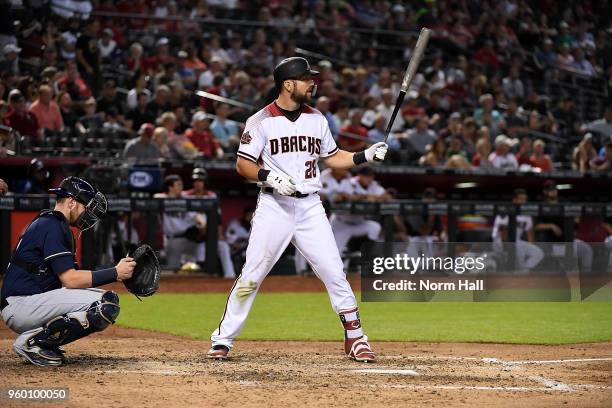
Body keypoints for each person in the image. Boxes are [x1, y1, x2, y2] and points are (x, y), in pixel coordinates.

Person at [208, 57, 387, 362]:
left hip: (310, 208)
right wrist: (270, 177)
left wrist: (364, 156)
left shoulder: (317, 119)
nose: (312, 83)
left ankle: (356, 338)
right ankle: (223, 339)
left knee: (334, 271)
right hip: (273, 206)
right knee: (251, 274)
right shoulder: (261, 120)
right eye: (306, 79)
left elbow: (332, 157)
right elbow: (243, 164)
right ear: (288, 84)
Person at [0, 176, 135, 366]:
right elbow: (71, 280)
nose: (89, 213)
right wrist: (115, 272)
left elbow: (73, 283)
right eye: (86, 206)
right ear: (71, 202)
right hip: (22, 305)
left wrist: (119, 273)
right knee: (104, 304)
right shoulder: (52, 225)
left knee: (107, 300)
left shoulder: (52, 223)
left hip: (29, 302)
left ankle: (39, 340)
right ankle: (32, 343)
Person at [183, 168, 236, 279]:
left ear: (205, 182)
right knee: (197, 258)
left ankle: (230, 277)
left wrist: (219, 234)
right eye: (196, 180)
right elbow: (192, 217)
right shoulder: (186, 195)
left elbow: (218, 218)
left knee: (223, 246)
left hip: (209, 234)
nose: (198, 183)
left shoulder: (211, 196)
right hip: (191, 236)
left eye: (200, 181)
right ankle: (203, 281)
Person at [330, 166, 388, 259]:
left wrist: (376, 198)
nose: (370, 178)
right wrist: (365, 197)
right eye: (367, 176)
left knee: (375, 227)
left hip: (358, 224)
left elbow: (387, 196)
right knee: (335, 254)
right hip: (341, 224)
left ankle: (366, 255)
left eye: (371, 176)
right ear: (359, 175)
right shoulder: (350, 182)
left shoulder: (373, 184)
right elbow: (343, 195)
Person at [492, 189, 544, 272]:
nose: (523, 202)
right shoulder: (504, 212)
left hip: (517, 242)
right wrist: (508, 249)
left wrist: (530, 247)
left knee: (538, 253)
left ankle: (525, 269)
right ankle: (520, 270)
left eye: (525, 199)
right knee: (519, 249)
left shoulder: (526, 215)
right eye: (521, 199)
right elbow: (503, 234)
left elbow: (530, 234)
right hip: (500, 242)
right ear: (514, 200)